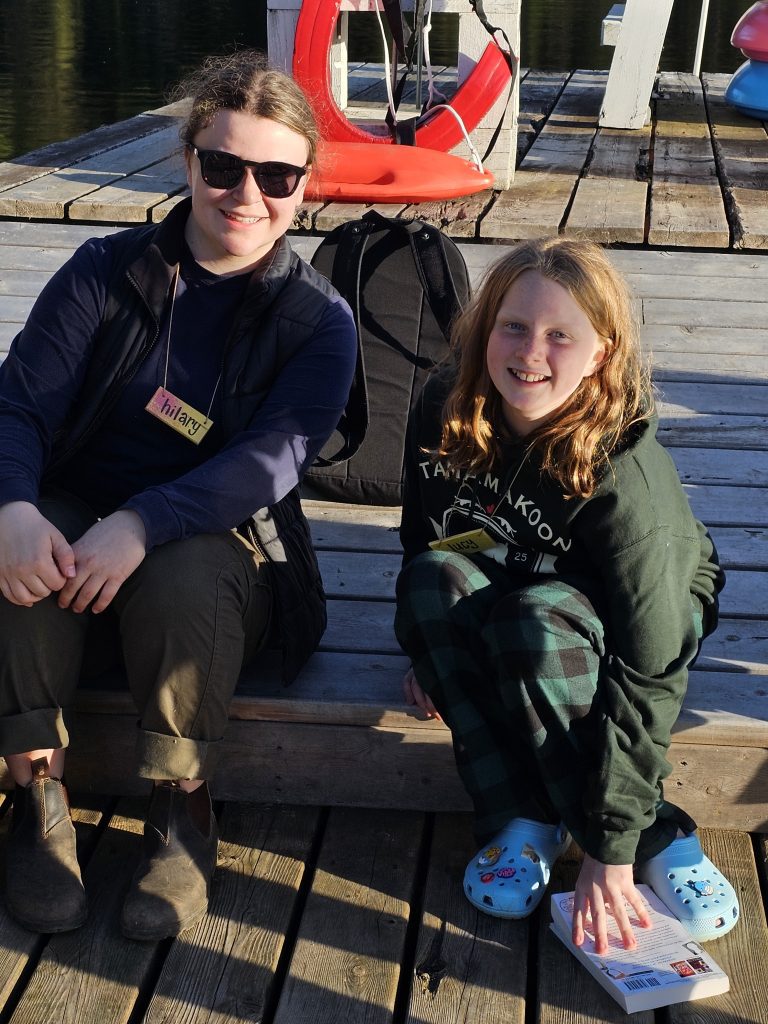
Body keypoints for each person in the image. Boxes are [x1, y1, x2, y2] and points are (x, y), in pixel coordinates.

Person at [0, 51, 357, 940]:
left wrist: (142, 521)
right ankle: (37, 795)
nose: (247, 193)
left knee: (182, 576)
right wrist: (10, 505)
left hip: (225, 538)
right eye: (223, 165)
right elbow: (18, 403)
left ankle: (181, 808)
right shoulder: (101, 270)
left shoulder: (319, 321)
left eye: (276, 174)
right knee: (25, 556)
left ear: (305, 186)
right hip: (80, 505)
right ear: (187, 163)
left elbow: (269, 463)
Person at [394, 237, 740, 954]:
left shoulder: (627, 481)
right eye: (513, 326)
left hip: (630, 597)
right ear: (484, 327)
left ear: (601, 354)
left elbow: (650, 672)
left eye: (561, 336)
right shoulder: (443, 402)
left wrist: (610, 850)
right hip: (512, 549)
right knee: (430, 579)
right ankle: (519, 814)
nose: (530, 353)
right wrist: (432, 646)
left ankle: (652, 831)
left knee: (536, 623)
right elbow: (435, 533)